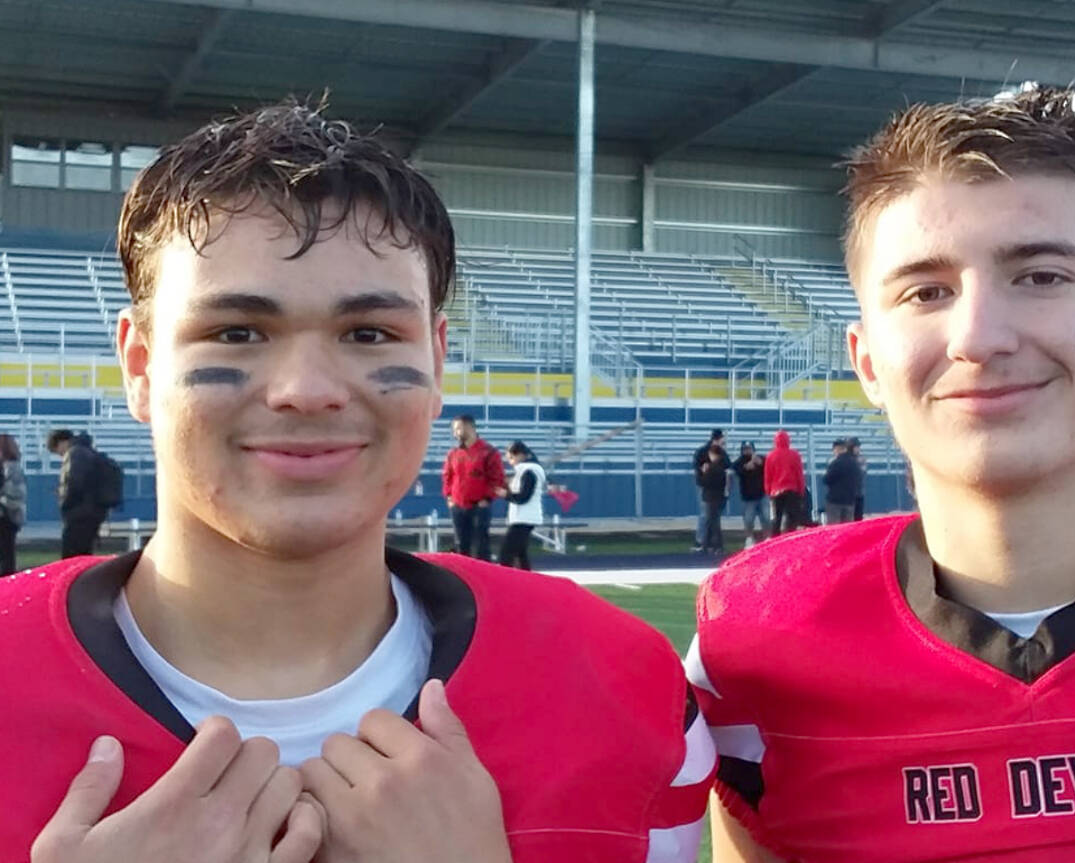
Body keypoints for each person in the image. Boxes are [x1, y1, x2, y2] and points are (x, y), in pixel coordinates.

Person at [0, 101, 711, 862]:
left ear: (436, 360)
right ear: (140, 366)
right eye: (236, 332)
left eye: (369, 333)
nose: (306, 389)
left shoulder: (619, 685)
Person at [689, 87, 1075, 862]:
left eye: (1040, 276)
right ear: (867, 361)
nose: (977, 336)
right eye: (926, 292)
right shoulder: (760, 638)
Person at [442, 414, 504, 561]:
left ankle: (483, 578)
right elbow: (447, 476)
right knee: (461, 544)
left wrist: (487, 498)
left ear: (469, 428)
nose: (455, 433)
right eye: (454, 430)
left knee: (480, 544)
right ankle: (463, 579)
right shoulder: (453, 453)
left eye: (458, 429)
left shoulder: (488, 452)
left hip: (479, 506)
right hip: (458, 505)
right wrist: (449, 496)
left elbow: (497, 478)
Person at [46, 428, 110, 558]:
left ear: (62, 442)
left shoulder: (75, 454)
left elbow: (74, 483)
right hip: (91, 511)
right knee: (84, 553)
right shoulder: (87, 452)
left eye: (57, 451)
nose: (60, 455)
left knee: (72, 555)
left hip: (79, 514)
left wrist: (64, 499)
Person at [494, 441, 545, 571]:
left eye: (511, 458)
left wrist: (506, 495)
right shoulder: (527, 471)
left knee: (506, 552)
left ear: (521, 455)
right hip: (524, 517)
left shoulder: (528, 472)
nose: (510, 462)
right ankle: (526, 580)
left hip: (524, 518)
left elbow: (523, 497)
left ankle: (505, 579)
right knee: (520, 553)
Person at [692, 429, 728, 552]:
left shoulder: (719, 453)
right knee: (708, 516)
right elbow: (698, 468)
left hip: (713, 490)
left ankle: (707, 543)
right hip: (708, 488)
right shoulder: (706, 453)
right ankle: (706, 542)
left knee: (710, 516)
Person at [763, 429, 804, 536]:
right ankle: (789, 538)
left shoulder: (770, 456)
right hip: (792, 490)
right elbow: (799, 473)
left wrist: (768, 490)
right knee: (792, 518)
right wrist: (801, 490)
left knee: (776, 518)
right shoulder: (795, 455)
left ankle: (775, 539)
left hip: (776, 491)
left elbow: (768, 475)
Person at [0, 433, 26, 575]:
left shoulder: (10, 468)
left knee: (6, 553)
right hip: (8, 516)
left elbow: (14, 494)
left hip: (6, 517)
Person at [731, 442, 766, 547]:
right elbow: (736, 470)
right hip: (748, 497)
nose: (747, 451)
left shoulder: (761, 459)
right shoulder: (739, 462)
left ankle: (767, 538)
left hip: (762, 494)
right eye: (745, 449)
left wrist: (761, 463)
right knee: (748, 520)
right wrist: (746, 467)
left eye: (749, 449)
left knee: (767, 518)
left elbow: (770, 467)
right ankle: (749, 538)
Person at [822, 438, 862, 524]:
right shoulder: (855, 463)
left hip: (835, 501)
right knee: (847, 529)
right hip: (849, 501)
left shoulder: (836, 463)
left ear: (837, 449)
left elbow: (826, 479)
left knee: (834, 528)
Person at [848, 436, 867, 520]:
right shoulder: (847, 459)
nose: (858, 449)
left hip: (858, 493)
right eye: (856, 447)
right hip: (849, 494)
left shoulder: (861, 459)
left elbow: (863, 472)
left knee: (858, 517)